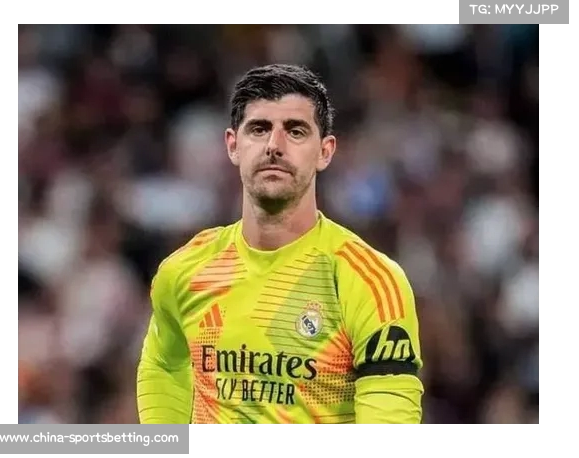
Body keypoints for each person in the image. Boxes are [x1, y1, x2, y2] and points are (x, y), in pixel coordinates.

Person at [137, 64, 424, 424]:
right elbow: (164, 365)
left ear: (325, 152)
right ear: (233, 146)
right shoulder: (186, 269)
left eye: (295, 131)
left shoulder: (370, 281)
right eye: (259, 129)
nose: (274, 145)